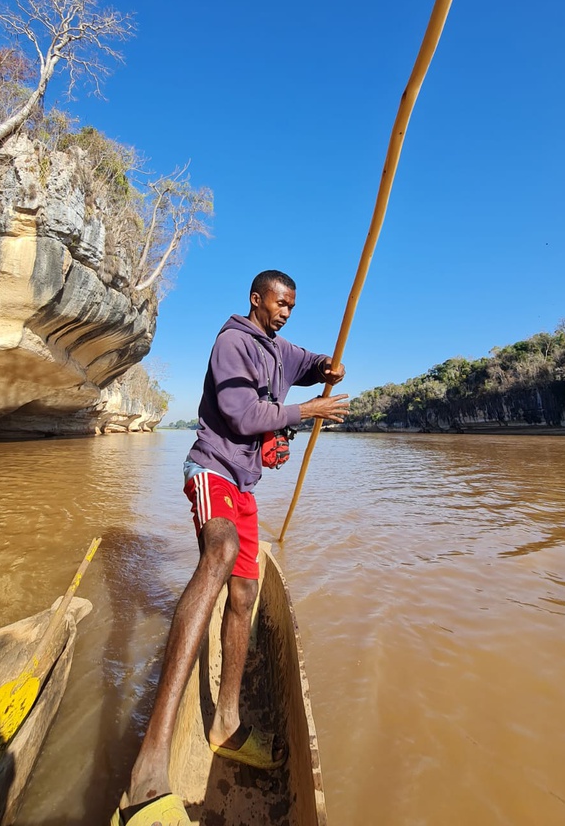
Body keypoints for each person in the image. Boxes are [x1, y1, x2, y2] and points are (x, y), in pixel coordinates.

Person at [113, 270, 349, 826]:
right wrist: (305, 412)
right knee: (218, 556)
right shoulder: (233, 342)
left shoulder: (279, 347)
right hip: (211, 470)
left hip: (244, 486)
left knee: (245, 592)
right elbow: (243, 415)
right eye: (279, 302)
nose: (286, 311)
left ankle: (226, 721)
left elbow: (313, 362)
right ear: (256, 299)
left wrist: (328, 369)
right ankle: (148, 766)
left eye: (293, 304)